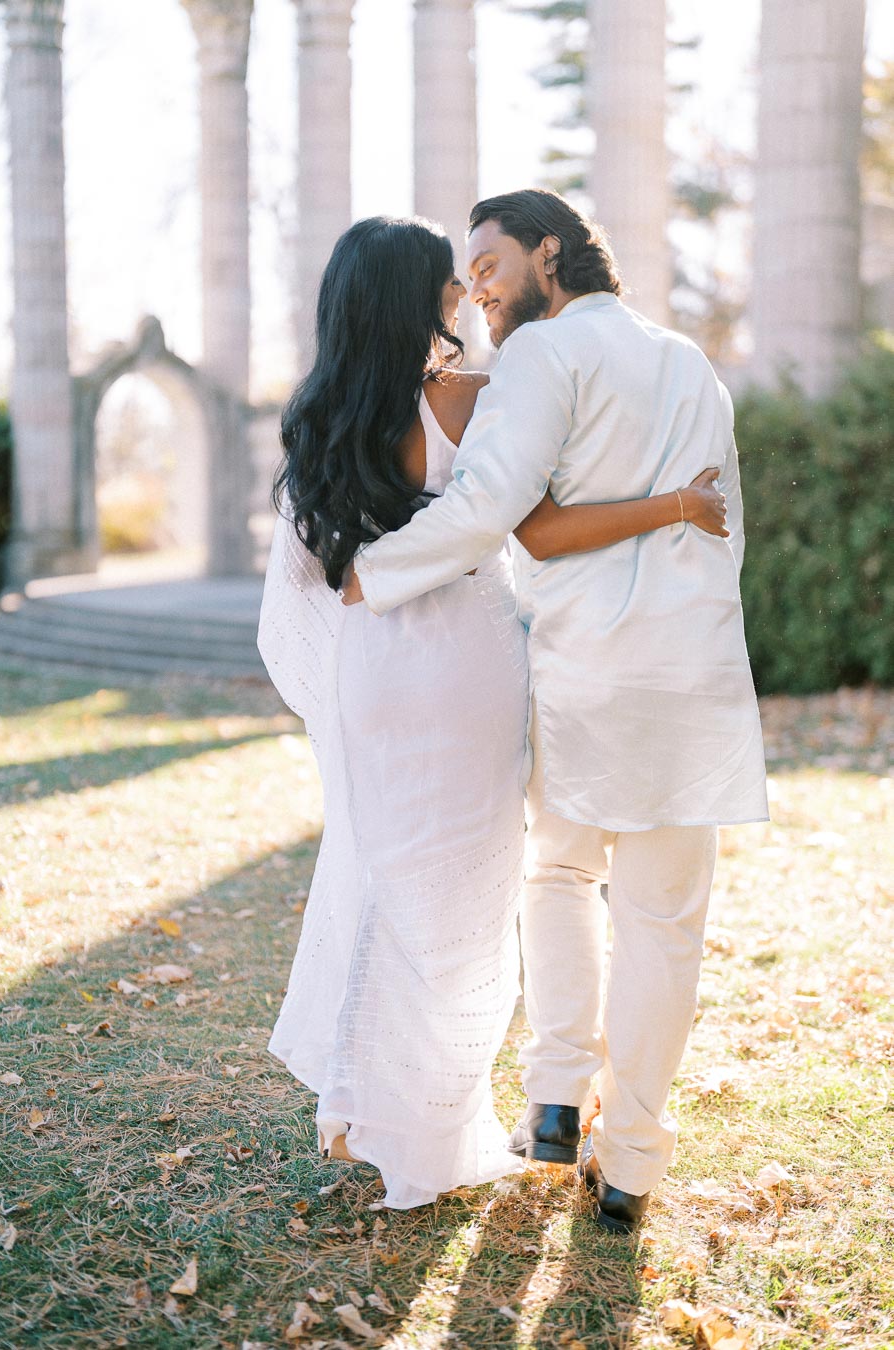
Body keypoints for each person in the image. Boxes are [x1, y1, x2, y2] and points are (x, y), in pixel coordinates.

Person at [259, 214, 730, 1210]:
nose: (465, 299)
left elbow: (311, 579)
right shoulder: (475, 400)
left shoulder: (320, 418)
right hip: (477, 672)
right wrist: (672, 508)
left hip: (374, 680)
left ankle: (359, 1106)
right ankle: (445, 1119)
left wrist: (366, 590)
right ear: (419, 300)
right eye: (451, 283)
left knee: (383, 880)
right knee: (473, 901)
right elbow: (534, 529)